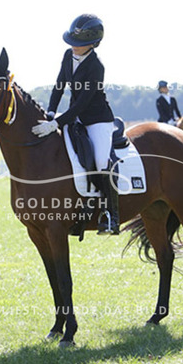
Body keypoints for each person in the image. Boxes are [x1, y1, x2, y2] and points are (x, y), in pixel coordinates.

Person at [31, 14, 119, 235]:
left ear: (93, 43)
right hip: (74, 116)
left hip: (97, 119)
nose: (73, 46)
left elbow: (82, 104)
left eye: (79, 43)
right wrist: (51, 112)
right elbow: (59, 85)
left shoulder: (96, 66)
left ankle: (110, 215)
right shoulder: (67, 55)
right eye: (72, 41)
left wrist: (56, 123)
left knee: (101, 161)